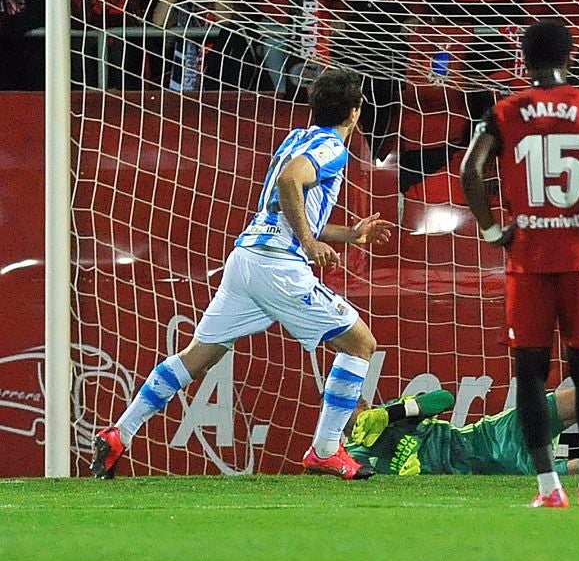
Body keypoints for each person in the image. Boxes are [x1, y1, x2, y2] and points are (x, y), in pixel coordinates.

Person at [92, 69, 396, 480]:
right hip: (278, 267)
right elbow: (290, 182)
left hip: (247, 259)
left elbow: (287, 204)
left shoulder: (295, 139)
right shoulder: (331, 148)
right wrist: (309, 245)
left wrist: (349, 234)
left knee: (198, 356)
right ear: (355, 112)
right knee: (360, 343)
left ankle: (120, 433)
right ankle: (326, 449)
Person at [460, 20, 579, 508]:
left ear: (523, 60)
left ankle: (549, 488)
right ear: (570, 56)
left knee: (530, 373)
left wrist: (492, 230)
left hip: (528, 258)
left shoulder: (504, 112)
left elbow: (470, 170)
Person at [345, 354, 579, 478]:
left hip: (496, 434)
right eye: (349, 402)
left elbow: (443, 398)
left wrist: (392, 412)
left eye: (358, 399)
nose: (360, 404)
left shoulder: (389, 414)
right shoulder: (352, 459)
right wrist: (400, 475)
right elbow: (369, 484)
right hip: (502, 473)